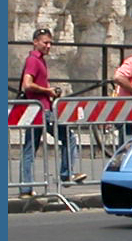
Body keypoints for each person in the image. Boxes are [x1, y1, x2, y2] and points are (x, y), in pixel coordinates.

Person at [17, 28, 85, 193]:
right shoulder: (33, 60)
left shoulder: (40, 60)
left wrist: (49, 91)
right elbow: (27, 84)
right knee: (69, 138)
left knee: (30, 148)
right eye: (45, 42)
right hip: (42, 110)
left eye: (50, 42)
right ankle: (66, 173)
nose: (49, 46)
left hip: (37, 109)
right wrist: (47, 91)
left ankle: (26, 188)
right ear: (35, 42)